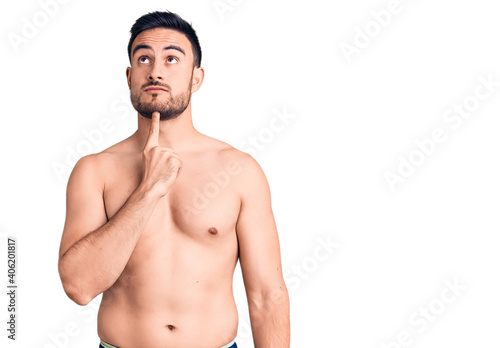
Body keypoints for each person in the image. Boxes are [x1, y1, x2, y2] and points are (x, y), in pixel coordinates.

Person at [57, 10, 290, 348]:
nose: (155, 71)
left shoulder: (238, 171)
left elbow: (268, 296)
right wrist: (148, 190)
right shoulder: (95, 170)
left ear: (197, 78)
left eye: (171, 59)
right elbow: (79, 286)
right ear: (129, 75)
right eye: (144, 59)